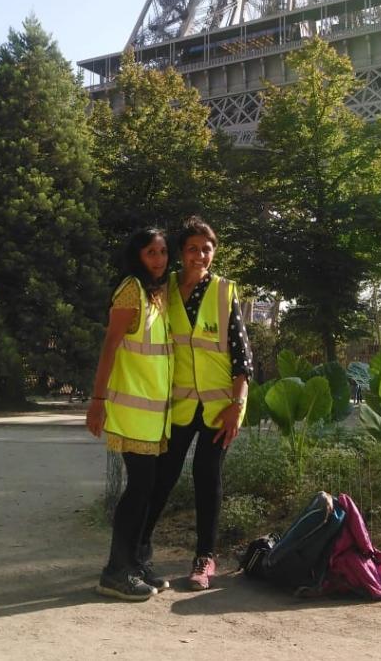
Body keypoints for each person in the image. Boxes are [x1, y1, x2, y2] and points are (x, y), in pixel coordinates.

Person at [139, 216, 252, 592]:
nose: (200, 255)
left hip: (221, 407)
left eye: (207, 248)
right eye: (192, 248)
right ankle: (138, 551)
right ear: (180, 253)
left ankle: (204, 559)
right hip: (180, 405)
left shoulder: (224, 292)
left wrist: (237, 406)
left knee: (207, 476)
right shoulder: (163, 289)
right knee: (163, 477)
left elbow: (243, 359)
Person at [86, 227, 172, 602]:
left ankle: (135, 562)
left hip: (154, 413)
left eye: (163, 252)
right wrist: (97, 399)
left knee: (148, 490)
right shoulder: (130, 290)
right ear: (136, 256)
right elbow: (110, 346)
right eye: (151, 252)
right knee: (138, 491)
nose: (158, 259)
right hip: (131, 410)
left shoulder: (157, 295)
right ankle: (115, 571)